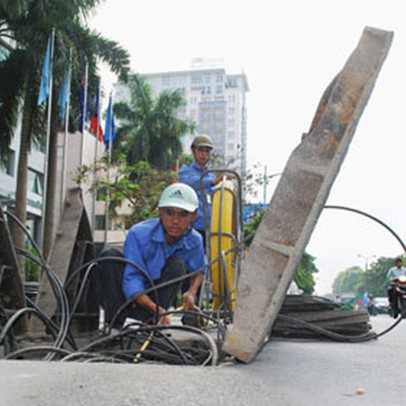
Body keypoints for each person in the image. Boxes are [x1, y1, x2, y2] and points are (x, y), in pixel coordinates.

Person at [99, 183, 206, 327]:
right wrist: (152, 307)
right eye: (170, 213)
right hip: (127, 298)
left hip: (157, 301)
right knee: (109, 256)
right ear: (161, 212)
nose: (175, 221)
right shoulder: (139, 234)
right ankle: (113, 326)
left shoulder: (195, 240)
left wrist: (191, 292)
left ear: (193, 215)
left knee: (178, 266)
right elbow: (132, 279)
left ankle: (155, 322)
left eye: (183, 214)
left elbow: (199, 270)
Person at [178, 134, 227, 243]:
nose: (204, 154)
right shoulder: (186, 171)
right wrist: (213, 182)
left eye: (207, 151)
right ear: (193, 151)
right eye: (200, 150)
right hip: (191, 228)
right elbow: (192, 182)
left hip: (210, 229)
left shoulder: (211, 175)